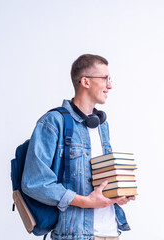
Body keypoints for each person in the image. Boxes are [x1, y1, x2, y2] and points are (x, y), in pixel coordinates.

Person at [22, 54, 135, 240]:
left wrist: (117, 195)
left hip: (111, 232)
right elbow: (34, 181)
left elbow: (99, 182)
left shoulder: (101, 125)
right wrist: (86, 202)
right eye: (105, 78)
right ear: (85, 82)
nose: (110, 85)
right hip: (77, 234)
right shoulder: (53, 122)